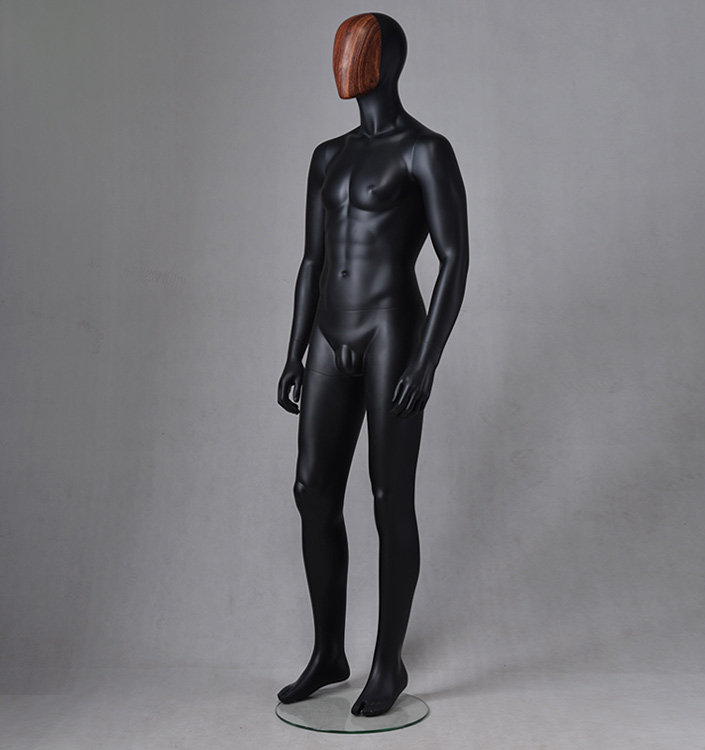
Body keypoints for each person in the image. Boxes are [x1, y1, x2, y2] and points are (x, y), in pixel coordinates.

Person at [276, 12, 468, 717]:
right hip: (330, 334)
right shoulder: (327, 156)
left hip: (392, 331)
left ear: (385, 60)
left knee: (390, 498)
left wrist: (427, 360)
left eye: (355, 50)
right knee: (311, 490)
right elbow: (311, 260)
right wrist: (294, 351)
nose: (342, 62)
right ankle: (330, 651)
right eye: (339, 48)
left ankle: (389, 664)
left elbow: (454, 258)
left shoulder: (425, 151)